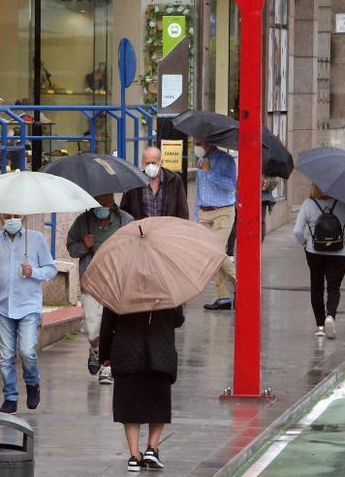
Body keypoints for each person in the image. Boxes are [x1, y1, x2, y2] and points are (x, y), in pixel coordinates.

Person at [0, 214, 57, 414]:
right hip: (4, 306)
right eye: (7, 216)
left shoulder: (35, 239)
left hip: (28, 305)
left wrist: (34, 272)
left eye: (16, 215)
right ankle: (10, 397)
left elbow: (51, 269)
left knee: (27, 350)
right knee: (5, 356)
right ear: (0, 218)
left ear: (24, 216)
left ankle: (32, 382)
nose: (12, 219)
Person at [99, 305, 184, 472]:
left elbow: (108, 323)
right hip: (160, 351)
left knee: (129, 404)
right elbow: (178, 319)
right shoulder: (166, 284)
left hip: (127, 352)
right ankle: (152, 448)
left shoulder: (121, 285)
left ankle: (133, 456)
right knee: (158, 403)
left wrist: (105, 355)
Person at [67, 194, 134, 384]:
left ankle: (107, 366)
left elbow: (136, 245)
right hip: (92, 282)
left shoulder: (125, 220)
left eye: (105, 201)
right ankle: (95, 349)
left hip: (117, 283)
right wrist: (83, 245)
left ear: (112, 199)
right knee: (94, 329)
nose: (101, 205)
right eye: (97, 201)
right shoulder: (83, 221)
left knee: (113, 328)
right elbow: (71, 247)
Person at [293, 184, 345, 339]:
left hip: (314, 252)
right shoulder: (343, 204)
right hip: (339, 253)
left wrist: (304, 242)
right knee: (334, 288)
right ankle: (331, 317)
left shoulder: (308, 204)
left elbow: (297, 231)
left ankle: (321, 326)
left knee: (316, 287)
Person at [194, 142, 237, 310]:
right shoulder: (200, 160)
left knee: (216, 251)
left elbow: (231, 186)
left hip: (222, 211)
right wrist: (196, 213)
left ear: (208, 143)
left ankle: (238, 282)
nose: (196, 146)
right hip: (204, 211)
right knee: (212, 255)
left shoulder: (226, 160)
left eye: (198, 143)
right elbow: (199, 189)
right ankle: (223, 297)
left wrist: (209, 172)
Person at [120, 146, 189, 220]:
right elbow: (124, 210)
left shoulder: (174, 180)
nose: (150, 166)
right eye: (147, 163)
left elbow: (182, 211)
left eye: (153, 163)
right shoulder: (134, 181)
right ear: (142, 163)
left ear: (161, 162)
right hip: (142, 229)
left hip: (167, 229)